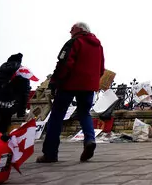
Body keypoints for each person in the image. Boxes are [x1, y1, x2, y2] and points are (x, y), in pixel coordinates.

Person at [37, 22, 105, 163]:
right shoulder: (98, 46)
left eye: (71, 30)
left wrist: (55, 82)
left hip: (69, 84)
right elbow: (101, 68)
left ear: (78, 30)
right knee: (84, 113)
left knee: (56, 116)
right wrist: (92, 81)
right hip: (88, 86)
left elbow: (64, 64)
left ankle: (50, 153)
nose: (70, 32)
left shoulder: (74, 42)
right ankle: (89, 140)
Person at [0, 53, 29, 133]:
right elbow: (24, 95)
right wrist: (21, 112)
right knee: (1, 130)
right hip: (8, 106)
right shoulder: (23, 76)